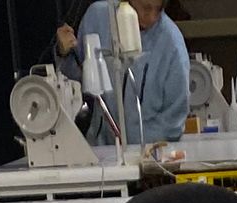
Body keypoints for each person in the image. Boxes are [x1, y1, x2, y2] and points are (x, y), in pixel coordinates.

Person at [57, 0, 190, 146]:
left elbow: (174, 119)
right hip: (101, 149)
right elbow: (77, 78)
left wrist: (140, 147)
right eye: (146, 8)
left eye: (158, 10)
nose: (152, 17)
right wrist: (64, 53)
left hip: (150, 151)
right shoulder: (97, 18)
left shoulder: (171, 43)